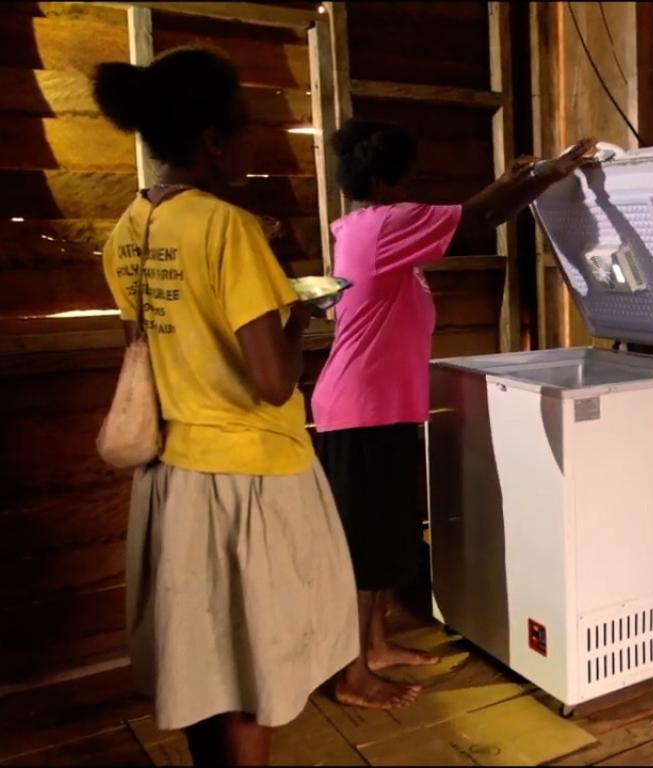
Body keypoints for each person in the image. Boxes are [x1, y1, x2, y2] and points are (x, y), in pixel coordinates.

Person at [93, 48, 364, 765]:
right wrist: (303, 315)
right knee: (253, 668)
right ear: (212, 139)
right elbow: (272, 384)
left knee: (203, 662)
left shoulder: (127, 232)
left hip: (171, 479)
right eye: (244, 128)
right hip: (250, 482)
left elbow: (143, 357)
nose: (254, 142)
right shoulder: (230, 231)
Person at [311, 119, 597, 708]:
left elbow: (481, 208)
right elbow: (480, 218)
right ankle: (351, 676)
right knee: (363, 550)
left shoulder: (367, 226)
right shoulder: (388, 224)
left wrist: (514, 181)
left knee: (383, 538)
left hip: (374, 407)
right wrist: (551, 171)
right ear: (393, 176)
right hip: (360, 412)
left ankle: (376, 646)